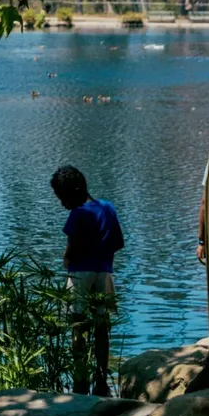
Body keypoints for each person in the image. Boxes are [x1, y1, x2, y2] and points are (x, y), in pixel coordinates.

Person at [50, 165, 124, 396]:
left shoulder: (78, 214)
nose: (62, 203)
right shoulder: (107, 208)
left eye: (63, 197)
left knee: (78, 327)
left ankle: (80, 378)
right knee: (101, 326)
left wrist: (67, 259)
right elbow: (119, 243)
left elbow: (71, 251)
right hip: (105, 272)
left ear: (76, 190)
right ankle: (101, 378)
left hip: (80, 274)